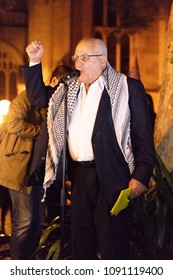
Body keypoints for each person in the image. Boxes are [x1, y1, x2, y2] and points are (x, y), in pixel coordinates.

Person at [22, 37, 156, 260]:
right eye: (76, 58)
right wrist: (35, 61)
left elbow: (143, 138)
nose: (78, 63)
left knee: (112, 246)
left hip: (113, 178)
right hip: (79, 178)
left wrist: (141, 177)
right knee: (81, 245)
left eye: (85, 58)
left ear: (103, 60)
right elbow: (38, 98)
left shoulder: (127, 88)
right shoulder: (69, 88)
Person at [0, 90, 46, 259]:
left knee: (36, 221)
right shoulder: (25, 98)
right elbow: (14, 124)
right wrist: (42, 132)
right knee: (25, 220)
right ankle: (18, 264)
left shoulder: (46, 101)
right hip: (19, 168)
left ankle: (28, 261)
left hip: (35, 169)